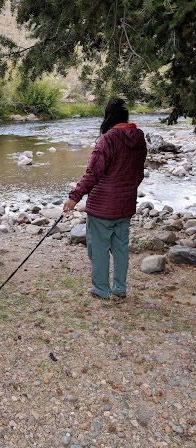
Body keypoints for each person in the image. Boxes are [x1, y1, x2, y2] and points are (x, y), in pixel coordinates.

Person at [63, 98, 147, 299]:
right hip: (125, 206)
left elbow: (93, 174)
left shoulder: (107, 139)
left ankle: (101, 289)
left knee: (98, 249)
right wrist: (127, 190)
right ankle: (119, 289)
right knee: (120, 249)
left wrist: (74, 198)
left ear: (107, 117)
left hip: (102, 207)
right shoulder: (139, 138)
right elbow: (139, 173)